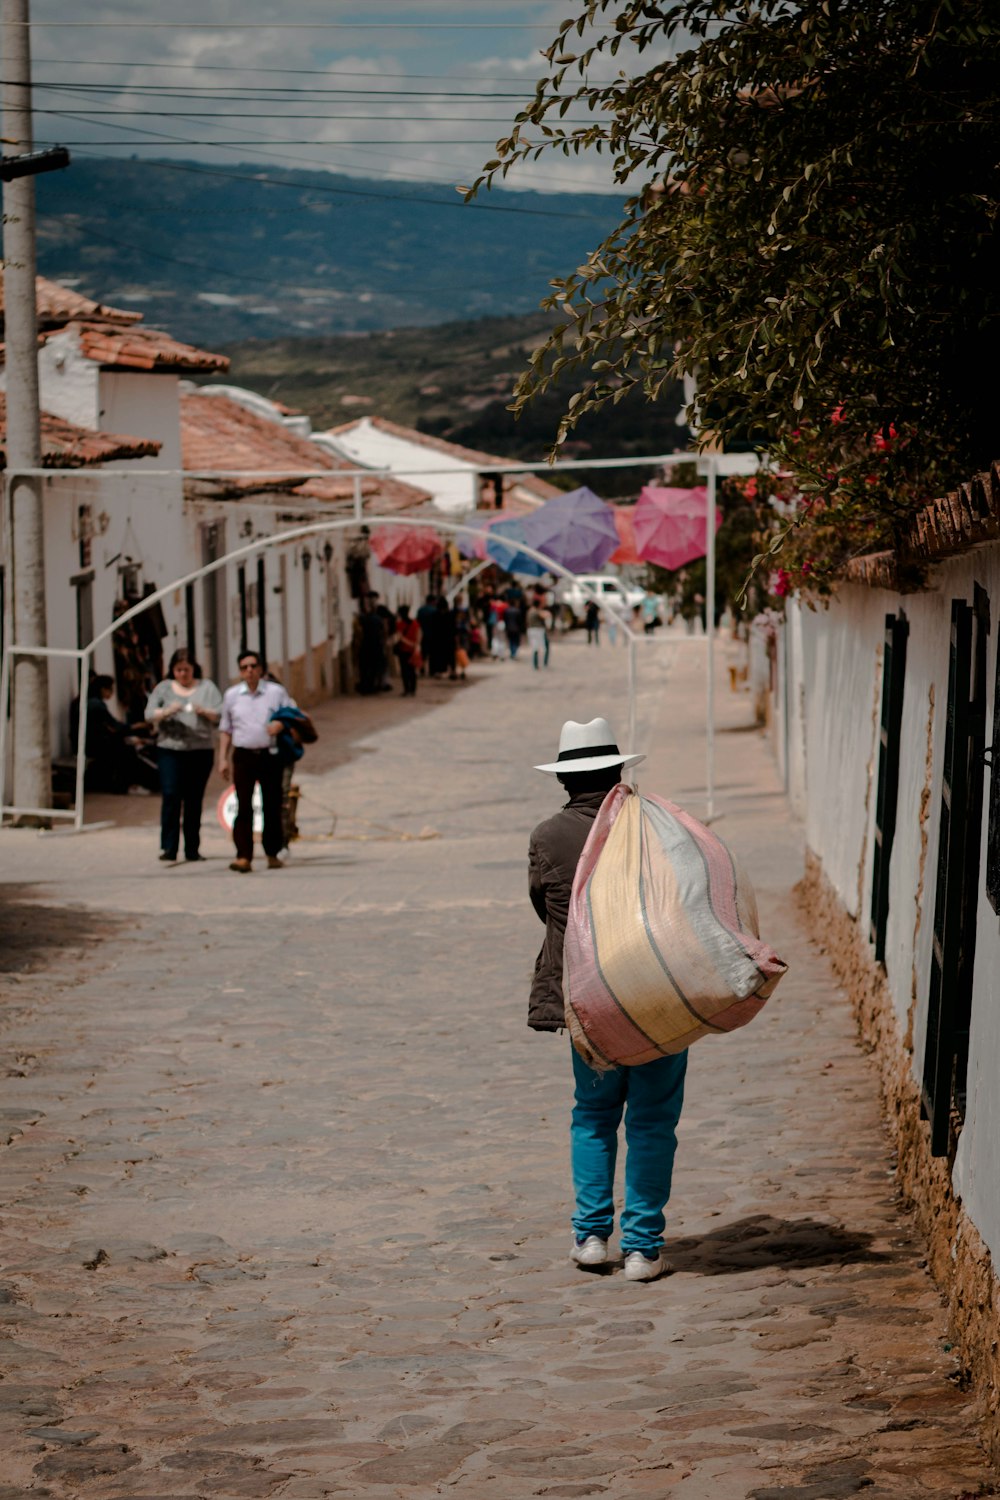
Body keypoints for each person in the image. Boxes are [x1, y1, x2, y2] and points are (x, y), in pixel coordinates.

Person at [528, 718, 687, 1283]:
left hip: (588, 1002)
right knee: (652, 1120)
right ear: (619, 772)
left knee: (594, 1115)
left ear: (565, 782)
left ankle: (592, 1237)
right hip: (654, 996)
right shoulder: (651, 825)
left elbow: (545, 910)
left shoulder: (548, 836)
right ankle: (643, 1248)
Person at [217, 650, 296, 873]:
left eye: (253, 666)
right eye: (244, 667)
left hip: (269, 755)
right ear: (240, 671)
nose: (249, 671)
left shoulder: (275, 692)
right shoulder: (232, 695)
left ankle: (272, 852)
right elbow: (226, 728)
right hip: (243, 755)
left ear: (261, 669)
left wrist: (281, 725)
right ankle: (243, 855)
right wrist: (222, 758)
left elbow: (291, 714)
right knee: (244, 805)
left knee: (271, 804)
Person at [145, 648, 222, 863]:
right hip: (171, 748)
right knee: (171, 794)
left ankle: (192, 848)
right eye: (178, 670)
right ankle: (169, 846)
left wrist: (204, 712)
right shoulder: (163, 689)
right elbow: (149, 713)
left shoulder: (207, 688)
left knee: (193, 799)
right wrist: (167, 711)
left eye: (186, 670)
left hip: (200, 750)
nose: (182, 674)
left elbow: (221, 713)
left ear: (193, 669)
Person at [394, 603, 421, 696]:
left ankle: (407, 689)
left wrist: (410, 644)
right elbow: (418, 636)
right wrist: (415, 645)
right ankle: (412, 690)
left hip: (404, 650)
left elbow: (400, 637)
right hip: (412, 650)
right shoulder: (415, 623)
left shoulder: (399, 624)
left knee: (405, 670)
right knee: (412, 670)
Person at [526, 597, 548, 671]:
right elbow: (545, 616)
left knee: (535, 647)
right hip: (538, 630)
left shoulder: (529, 611)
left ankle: (536, 664)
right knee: (541, 648)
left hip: (531, 630)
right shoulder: (536, 611)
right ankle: (541, 663)